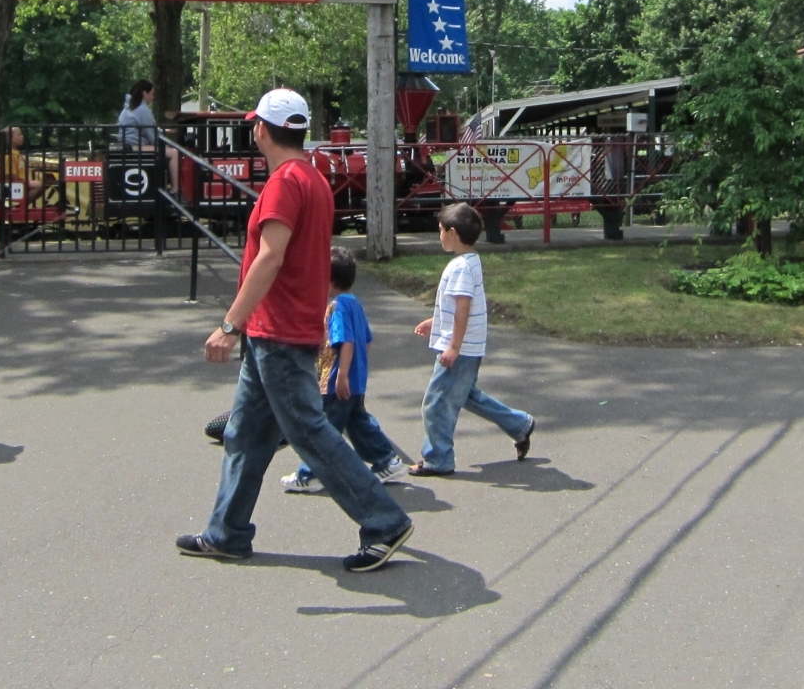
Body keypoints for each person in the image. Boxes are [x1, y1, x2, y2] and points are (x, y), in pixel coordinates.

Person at [176, 88, 415, 573]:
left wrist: (229, 324)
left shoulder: (285, 182)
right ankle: (227, 533)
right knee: (244, 435)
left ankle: (385, 521)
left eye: (254, 123)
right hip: (276, 331)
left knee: (310, 431)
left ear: (262, 129)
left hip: (278, 332)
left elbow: (270, 257)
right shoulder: (312, 177)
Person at [410, 202, 535, 477]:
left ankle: (438, 459)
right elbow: (457, 307)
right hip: (469, 344)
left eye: (440, 230)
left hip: (461, 348)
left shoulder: (460, 268)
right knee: (466, 395)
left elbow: (463, 307)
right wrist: (436, 321)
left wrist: (453, 347)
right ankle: (520, 425)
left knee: (436, 403)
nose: (439, 235)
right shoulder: (471, 260)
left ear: (452, 233)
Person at [282, 249, 406, 493]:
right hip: (355, 381)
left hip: (336, 381)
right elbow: (366, 341)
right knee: (359, 425)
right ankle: (387, 460)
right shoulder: (354, 303)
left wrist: (341, 375)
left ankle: (310, 475)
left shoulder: (336, 307)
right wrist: (357, 370)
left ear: (328, 280)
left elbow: (346, 341)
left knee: (322, 428)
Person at [118, 80, 159, 148]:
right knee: (173, 151)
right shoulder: (142, 109)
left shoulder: (127, 108)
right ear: (144, 93)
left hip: (124, 144)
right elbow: (151, 134)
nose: (153, 97)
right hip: (136, 145)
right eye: (152, 94)